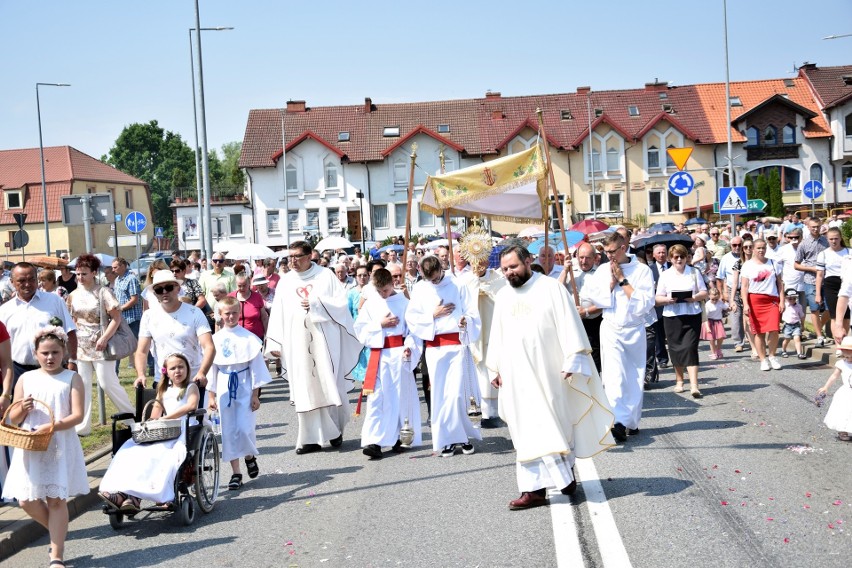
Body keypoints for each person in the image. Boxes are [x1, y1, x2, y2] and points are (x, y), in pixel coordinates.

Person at [486, 245, 614, 510]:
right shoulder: (503, 296)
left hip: (549, 371)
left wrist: (573, 358)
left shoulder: (551, 288)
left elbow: (570, 324)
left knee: (552, 422)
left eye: (514, 267)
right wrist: (494, 368)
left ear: (528, 261)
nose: (510, 273)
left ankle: (564, 475)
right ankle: (533, 489)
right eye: (505, 269)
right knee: (524, 430)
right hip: (515, 375)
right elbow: (496, 335)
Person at [265, 241, 362, 454]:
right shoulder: (286, 281)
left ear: (310, 256)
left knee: (328, 383)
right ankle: (309, 438)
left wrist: (317, 304)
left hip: (324, 339)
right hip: (296, 342)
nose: (292, 261)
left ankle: (335, 430)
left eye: (297, 256)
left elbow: (341, 304)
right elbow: (278, 314)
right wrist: (274, 343)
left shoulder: (325, 276)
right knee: (304, 387)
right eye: (290, 257)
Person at [2, 326, 87, 567]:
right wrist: (22, 409)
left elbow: (78, 415)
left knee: (56, 500)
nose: (50, 357)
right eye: (44, 353)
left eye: (55, 352)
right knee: (26, 500)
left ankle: (56, 555)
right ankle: (57, 532)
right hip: (31, 445)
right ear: (36, 354)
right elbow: (14, 418)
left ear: (64, 352)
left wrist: (51, 427)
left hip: (59, 442)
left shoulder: (72, 378)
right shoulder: (26, 378)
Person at [99, 352, 200, 511]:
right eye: (173, 368)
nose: (178, 371)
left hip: (183, 430)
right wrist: (151, 424)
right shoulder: (163, 390)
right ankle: (125, 494)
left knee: (159, 454)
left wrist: (166, 418)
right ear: (167, 372)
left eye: (181, 367)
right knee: (132, 450)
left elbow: (191, 406)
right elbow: (155, 415)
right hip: (164, 430)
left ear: (187, 369)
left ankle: (137, 496)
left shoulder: (191, 387)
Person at [406, 255, 482, 457]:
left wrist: (466, 321)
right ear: (423, 274)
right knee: (440, 394)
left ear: (442, 269)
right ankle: (447, 440)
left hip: (456, 346)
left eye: (437, 277)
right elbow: (412, 319)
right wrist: (433, 314)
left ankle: (461, 437)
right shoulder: (421, 289)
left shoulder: (458, 285)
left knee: (457, 394)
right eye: (430, 278)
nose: (435, 281)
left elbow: (472, 311)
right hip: (434, 348)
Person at [585, 232, 655, 442]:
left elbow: (645, 302)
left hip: (633, 329)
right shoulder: (602, 271)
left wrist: (623, 280)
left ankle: (631, 421)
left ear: (623, 248)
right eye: (605, 252)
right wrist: (610, 283)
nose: (610, 256)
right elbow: (592, 297)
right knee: (614, 376)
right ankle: (618, 422)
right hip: (611, 328)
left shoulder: (642, 270)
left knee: (633, 377)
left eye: (613, 251)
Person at [354, 269, 422, 459]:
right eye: (379, 291)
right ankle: (373, 441)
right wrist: (380, 324)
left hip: (399, 354)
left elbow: (413, 330)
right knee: (376, 399)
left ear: (392, 284)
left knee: (400, 397)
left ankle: (401, 436)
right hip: (379, 355)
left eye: (385, 290)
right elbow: (360, 329)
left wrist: (409, 346)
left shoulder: (404, 303)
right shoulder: (371, 304)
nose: (383, 294)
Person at [65, 254, 135, 435]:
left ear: (94, 273)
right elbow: (72, 319)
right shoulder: (73, 295)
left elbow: (116, 318)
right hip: (81, 344)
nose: (80, 277)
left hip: (101, 344)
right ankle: (82, 426)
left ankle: (131, 418)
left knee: (107, 382)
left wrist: (104, 338)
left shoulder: (104, 292)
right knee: (83, 384)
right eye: (78, 274)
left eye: (84, 274)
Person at [207, 298, 273, 489]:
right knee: (228, 430)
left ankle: (250, 456)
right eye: (226, 313)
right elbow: (212, 370)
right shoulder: (215, 340)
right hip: (224, 386)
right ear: (220, 314)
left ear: (239, 313)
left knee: (245, 428)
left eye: (234, 313)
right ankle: (236, 472)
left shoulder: (248, 338)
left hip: (244, 384)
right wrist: (211, 395)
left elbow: (256, 369)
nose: (230, 316)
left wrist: (255, 394)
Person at [134, 270, 215, 388]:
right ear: (155, 294)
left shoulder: (194, 312)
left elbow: (209, 346)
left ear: (177, 288)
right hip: (163, 381)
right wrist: (141, 374)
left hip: (192, 381)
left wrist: (202, 373)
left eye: (169, 287)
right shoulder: (148, 316)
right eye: (159, 290)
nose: (164, 292)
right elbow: (141, 351)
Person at [0, 263, 78, 386]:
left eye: (32, 279)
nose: (27, 284)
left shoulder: (54, 301)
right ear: (12, 282)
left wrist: (72, 360)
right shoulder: (5, 310)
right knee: (20, 405)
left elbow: (70, 331)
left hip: (53, 368)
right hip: (18, 371)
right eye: (22, 280)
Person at [459, 256, 507, 428]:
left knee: (494, 365)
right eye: (475, 261)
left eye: (482, 261)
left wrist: (487, 292)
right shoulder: (464, 280)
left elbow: (503, 298)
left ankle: (497, 411)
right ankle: (480, 410)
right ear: (470, 261)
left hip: (493, 326)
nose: (478, 265)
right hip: (475, 332)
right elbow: (461, 303)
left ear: (487, 261)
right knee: (479, 369)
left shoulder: (498, 279)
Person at [655, 244, 708, 397]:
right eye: (675, 257)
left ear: (686, 258)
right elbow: (657, 298)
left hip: (692, 314)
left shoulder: (694, 272)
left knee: (691, 348)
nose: (679, 259)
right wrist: (667, 300)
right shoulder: (665, 275)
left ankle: (694, 385)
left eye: (682, 256)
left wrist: (694, 298)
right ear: (671, 259)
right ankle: (679, 381)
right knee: (675, 348)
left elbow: (704, 292)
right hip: (672, 315)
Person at [741, 239, 784, 371]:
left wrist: (782, 300)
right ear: (753, 249)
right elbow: (744, 287)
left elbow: (780, 284)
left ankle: (772, 356)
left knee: (774, 329)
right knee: (759, 332)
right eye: (758, 248)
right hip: (755, 300)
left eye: (763, 248)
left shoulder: (773, 263)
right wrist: (745, 304)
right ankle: (763, 359)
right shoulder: (747, 265)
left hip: (771, 300)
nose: (761, 250)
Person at [795, 218, 830, 347]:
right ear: (808, 227)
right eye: (813, 227)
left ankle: (818, 326)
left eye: (817, 226)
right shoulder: (803, 244)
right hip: (810, 280)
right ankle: (819, 336)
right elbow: (796, 264)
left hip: (826, 279)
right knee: (814, 309)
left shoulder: (826, 241)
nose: (815, 229)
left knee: (830, 308)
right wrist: (811, 268)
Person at [815, 227, 851, 343]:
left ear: (840, 238)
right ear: (827, 239)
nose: (834, 241)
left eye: (836, 238)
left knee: (846, 316)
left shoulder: (848, 251)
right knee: (835, 316)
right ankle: (838, 344)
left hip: (846, 283)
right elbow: (820, 275)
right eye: (831, 239)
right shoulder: (823, 254)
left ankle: (844, 341)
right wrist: (818, 294)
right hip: (830, 285)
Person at [817, 335, 852, 441]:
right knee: (843, 411)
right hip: (846, 392)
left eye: (851, 357)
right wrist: (826, 387)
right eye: (846, 357)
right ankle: (842, 431)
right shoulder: (841, 364)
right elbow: (834, 376)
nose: (848, 359)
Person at [717, 236, 745, 352]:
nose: (737, 247)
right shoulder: (726, 258)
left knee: (747, 316)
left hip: (748, 289)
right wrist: (722, 293)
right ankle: (738, 342)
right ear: (730, 246)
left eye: (739, 245)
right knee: (735, 316)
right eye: (734, 245)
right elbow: (720, 277)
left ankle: (751, 338)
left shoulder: (748, 256)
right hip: (732, 290)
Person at [346, 265, 370, 385]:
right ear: (356, 277)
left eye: (365, 275)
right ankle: (364, 381)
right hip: (357, 330)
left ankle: (370, 379)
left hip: (371, 328)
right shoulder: (351, 293)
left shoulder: (373, 291)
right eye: (360, 275)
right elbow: (348, 312)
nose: (362, 278)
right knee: (361, 357)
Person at [228, 273, 269, 341]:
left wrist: (267, 336)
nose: (242, 288)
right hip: (236, 337)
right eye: (239, 286)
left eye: (244, 285)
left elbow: (264, 318)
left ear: (249, 283)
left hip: (256, 337)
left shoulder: (257, 297)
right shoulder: (230, 297)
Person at [648, 244, 670, 368]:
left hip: (673, 305)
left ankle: (678, 357)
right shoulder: (649, 270)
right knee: (659, 335)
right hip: (656, 307)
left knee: (673, 335)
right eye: (659, 253)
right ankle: (662, 359)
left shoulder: (673, 268)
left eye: (663, 252)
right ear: (654, 255)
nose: (661, 255)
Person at [700, 287, 729, 360]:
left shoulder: (720, 302)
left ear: (719, 297)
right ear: (709, 296)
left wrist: (729, 306)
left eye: (716, 299)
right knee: (712, 339)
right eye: (713, 299)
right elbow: (705, 317)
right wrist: (707, 327)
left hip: (718, 321)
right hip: (709, 322)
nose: (715, 301)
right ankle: (713, 353)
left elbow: (726, 308)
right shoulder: (708, 304)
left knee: (721, 337)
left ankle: (718, 349)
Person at [780, 288, 806, 359]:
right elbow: (779, 315)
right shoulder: (784, 306)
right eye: (790, 298)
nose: (792, 300)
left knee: (797, 339)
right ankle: (783, 350)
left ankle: (799, 353)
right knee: (787, 339)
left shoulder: (799, 306)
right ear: (785, 298)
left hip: (796, 325)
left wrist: (802, 325)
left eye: (794, 298)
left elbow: (802, 316)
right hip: (787, 325)